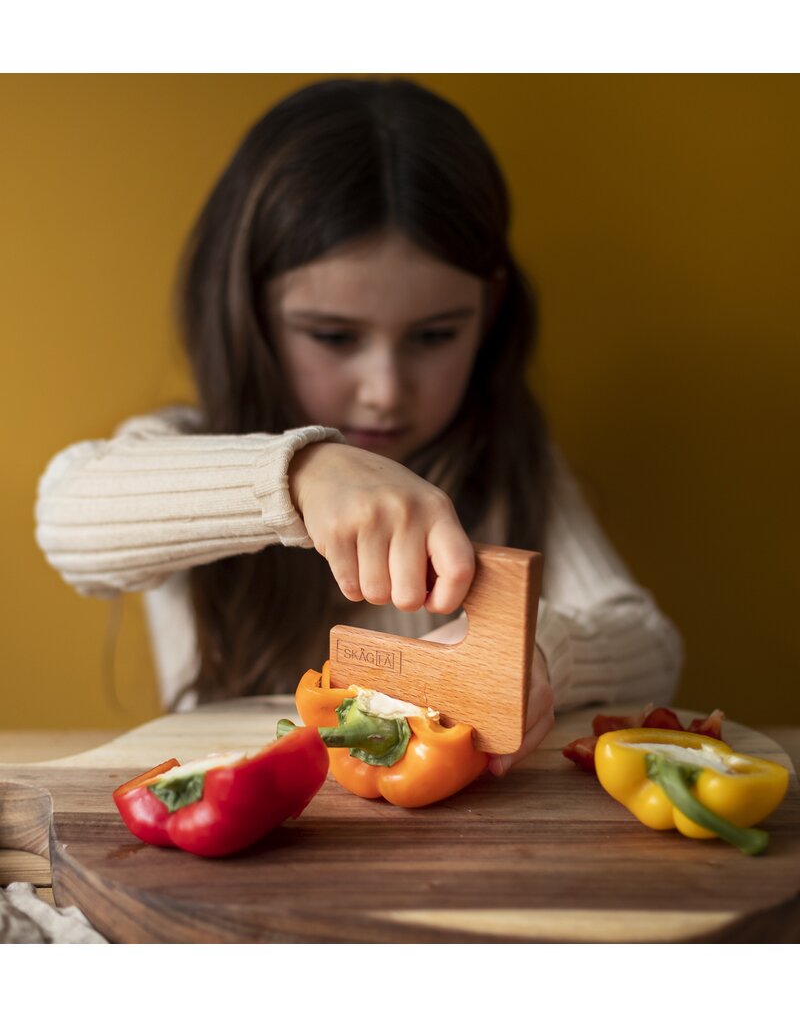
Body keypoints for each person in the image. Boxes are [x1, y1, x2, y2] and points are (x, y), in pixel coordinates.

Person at [34, 77, 683, 777]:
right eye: (334, 336)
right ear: (252, 312)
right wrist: (302, 474)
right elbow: (67, 518)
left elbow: (649, 643)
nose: (383, 392)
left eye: (434, 335)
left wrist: (539, 650)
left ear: (489, 310)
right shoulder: (185, 444)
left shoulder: (510, 457)